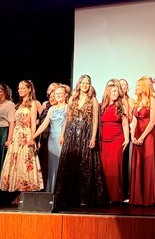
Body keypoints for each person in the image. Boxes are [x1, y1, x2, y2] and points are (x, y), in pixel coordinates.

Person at [55, 74, 107, 210]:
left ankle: (84, 196)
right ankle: (70, 197)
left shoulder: (93, 100)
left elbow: (95, 120)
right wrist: (62, 135)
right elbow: (67, 118)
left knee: (84, 164)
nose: (85, 85)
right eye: (83, 83)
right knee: (70, 164)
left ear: (90, 85)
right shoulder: (73, 98)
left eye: (87, 83)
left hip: (85, 133)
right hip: (71, 133)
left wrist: (93, 137)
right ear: (79, 84)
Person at [0, 80, 43, 193]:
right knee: (15, 163)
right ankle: (16, 190)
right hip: (16, 136)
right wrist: (10, 139)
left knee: (25, 161)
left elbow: (33, 123)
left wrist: (32, 138)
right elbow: (13, 123)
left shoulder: (33, 103)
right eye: (19, 88)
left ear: (29, 89)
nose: (20, 90)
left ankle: (25, 190)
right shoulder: (17, 104)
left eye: (23, 88)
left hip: (26, 135)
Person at [31, 84, 68, 192]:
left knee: (61, 164)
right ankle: (52, 190)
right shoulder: (51, 109)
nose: (58, 95)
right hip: (52, 140)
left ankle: (61, 191)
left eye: (60, 93)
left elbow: (67, 123)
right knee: (52, 166)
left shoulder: (68, 107)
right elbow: (44, 124)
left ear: (66, 95)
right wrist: (33, 136)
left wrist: (62, 136)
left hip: (62, 139)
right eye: (56, 94)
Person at [98, 80, 129, 202]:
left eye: (117, 91)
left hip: (117, 139)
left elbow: (125, 124)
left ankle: (116, 196)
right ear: (108, 93)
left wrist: (127, 139)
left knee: (115, 167)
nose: (116, 93)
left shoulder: (121, 106)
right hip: (103, 141)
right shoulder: (101, 106)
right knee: (105, 168)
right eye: (113, 91)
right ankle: (105, 196)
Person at [130, 76, 155, 206]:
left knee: (147, 164)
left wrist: (142, 137)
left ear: (145, 86)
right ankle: (137, 198)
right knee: (138, 164)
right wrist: (133, 135)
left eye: (139, 85)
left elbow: (152, 121)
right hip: (137, 134)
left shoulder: (152, 100)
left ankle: (148, 198)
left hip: (147, 136)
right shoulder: (137, 101)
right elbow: (134, 120)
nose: (136, 88)